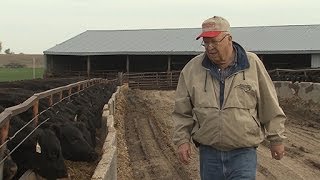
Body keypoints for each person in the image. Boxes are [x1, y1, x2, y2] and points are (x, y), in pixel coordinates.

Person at [172, 16, 286, 179]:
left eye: (214, 41)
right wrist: (182, 140)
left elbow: (270, 105)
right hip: (209, 153)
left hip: (243, 152)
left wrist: (276, 139)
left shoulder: (252, 64)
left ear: (229, 39)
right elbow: (181, 111)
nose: (209, 47)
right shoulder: (192, 69)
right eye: (205, 42)